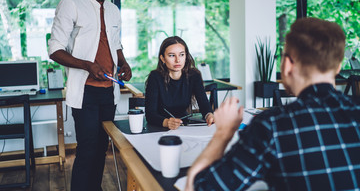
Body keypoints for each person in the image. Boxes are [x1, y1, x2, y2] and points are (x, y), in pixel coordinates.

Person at [186, 17, 360, 190]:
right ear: (338, 67)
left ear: (286, 65)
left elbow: (199, 188)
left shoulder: (272, 125)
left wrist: (223, 133)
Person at [48, 0, 132, 191]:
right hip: (84, 91)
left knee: (102, 149)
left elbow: (115, 43)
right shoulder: (71, 3)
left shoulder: (114, 10)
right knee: (87, 149)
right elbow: (55, 50)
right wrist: (88, 65)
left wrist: (123, 63)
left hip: (109, 92)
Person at [145, 36, 215, 130]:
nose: (178, 60)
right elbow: (150, 115)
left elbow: (204, 105)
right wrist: (167, 122)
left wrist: (209, 115)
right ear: (163, 58)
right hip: (159, 127)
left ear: (186, 56)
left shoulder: (194, 75)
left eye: (181, 54)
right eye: (172, 55)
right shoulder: (155, 77)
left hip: (184, 126)